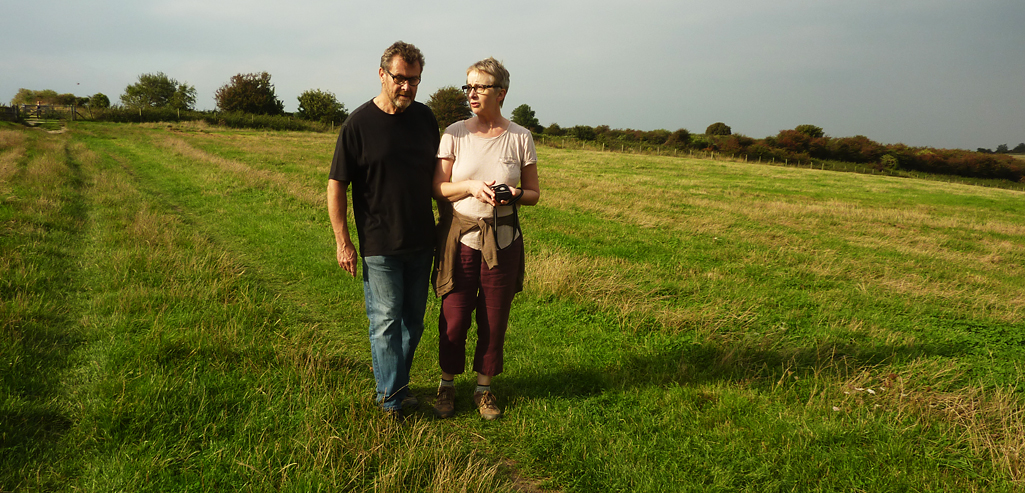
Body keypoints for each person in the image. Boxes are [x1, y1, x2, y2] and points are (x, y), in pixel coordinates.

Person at [327, 41, 439, 422]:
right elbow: (336, 184)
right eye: (400, 78)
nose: (406, 87)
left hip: (422, 240)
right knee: (386, 322)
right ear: (382, 75)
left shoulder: (426, 119)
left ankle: (397, 384)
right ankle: (391, 400)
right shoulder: (358, 124)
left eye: (414, 80)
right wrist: (344, 242)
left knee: (414, 322)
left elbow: (438, 178)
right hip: (379, 242)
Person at [431, 57, 541, 420]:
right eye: (468, 86)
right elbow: (439, 188)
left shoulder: (520, 137)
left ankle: (483, 389)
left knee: (494, 318)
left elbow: (534, 194)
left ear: (501, 93)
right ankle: (446, 385)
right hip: (460, 236)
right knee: (455, 315)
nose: (471, 93)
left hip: (504, 239)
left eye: (479, 86)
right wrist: (470, 187)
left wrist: (514, 192)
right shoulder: (455, 132)